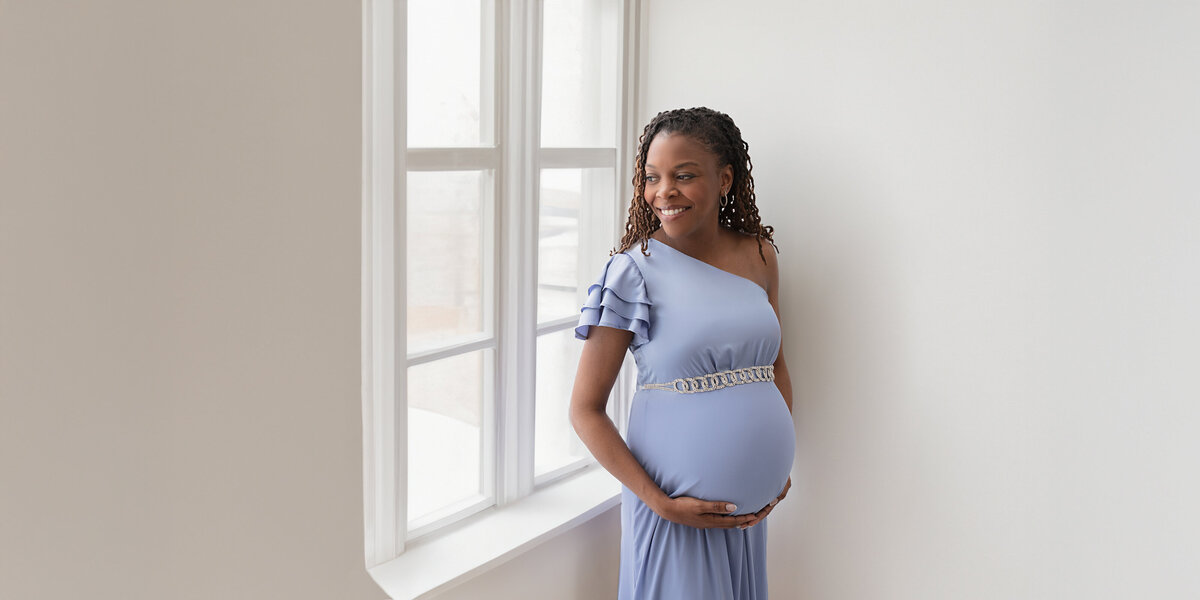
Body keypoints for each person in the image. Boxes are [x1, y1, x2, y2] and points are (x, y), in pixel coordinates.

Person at [570, 107, 796, 600]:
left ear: (725, 179)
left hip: (748, 517)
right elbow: (585, 411)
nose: (663, 192)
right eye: (652, 177)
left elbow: (775, 366)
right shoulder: (632, 272)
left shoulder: (759, 255)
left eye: (684, 175)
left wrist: (774, 468)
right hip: (673, 508)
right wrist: (659, 503)